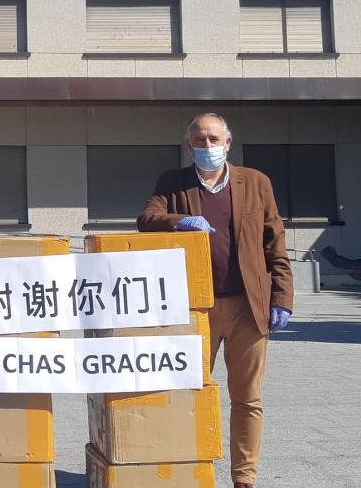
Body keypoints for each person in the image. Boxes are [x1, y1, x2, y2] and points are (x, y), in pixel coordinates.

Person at [136, 112, 293, 488]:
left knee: (247, 399)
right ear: (188, 145)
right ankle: (191, 471)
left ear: (228, 143)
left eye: (214, 139)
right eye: (200, 140)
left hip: (248, 307)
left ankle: (244, 478)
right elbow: (146, 218)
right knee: (187, 393)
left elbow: (274, 241)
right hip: (196, 309)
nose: (207, 145)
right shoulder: (174, 183)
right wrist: (179, 221)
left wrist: (282, 297)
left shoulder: (255, 182)